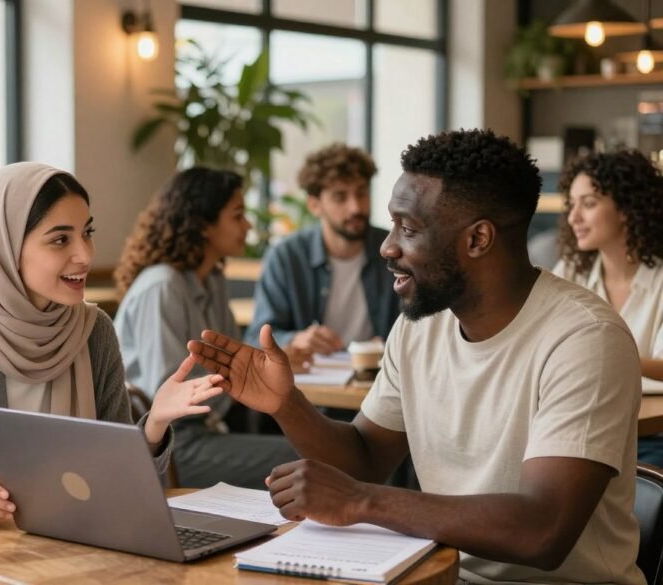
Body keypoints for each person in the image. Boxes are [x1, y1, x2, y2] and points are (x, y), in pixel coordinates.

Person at [188, 129, 645, 584]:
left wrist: (364, 501)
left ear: (478, 239)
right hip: (439, 575)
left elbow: (542, 530)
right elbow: (364, 458)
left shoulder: (585, 338)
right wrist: (287, 405)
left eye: (408, 228)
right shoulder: (419, 326)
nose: (387, 246)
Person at [0, 162, 223, 585]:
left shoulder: (93, 332)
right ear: (3, 247)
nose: (86, 255)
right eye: (60, 240)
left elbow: (114, 486)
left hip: (62, 553)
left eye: (87, 232)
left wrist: (154, 426)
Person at [113, 167, 298, 489]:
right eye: (237, 215)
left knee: (320, 447)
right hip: (167, 444)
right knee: (312, 460)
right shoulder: (162, 287)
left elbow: (232, 362)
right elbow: (167, 396)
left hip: (210, 428)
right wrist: (241, 374)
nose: (248, 225)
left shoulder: (211, 279)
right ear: (203, 225)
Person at [553, 149, 663, 465]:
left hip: (650, 437)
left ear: (627, 208)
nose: (573, 217)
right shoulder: (570, 270)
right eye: (571, 204)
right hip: (581, 426)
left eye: (588, 204)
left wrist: (600, 355)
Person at [246, 144, 398, 365]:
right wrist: (296, 339)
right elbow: (255, 339)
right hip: (313, 389)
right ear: (314, 205)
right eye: (340, 197)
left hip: (381, 381)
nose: (355, 207)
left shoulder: (394, 250)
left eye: (361, 193)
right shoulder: (287, 257)